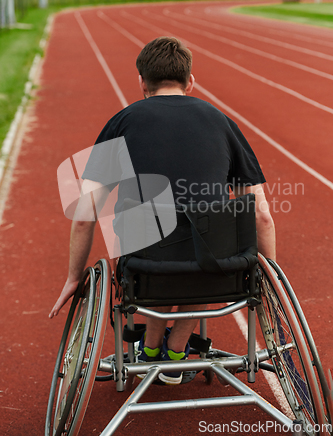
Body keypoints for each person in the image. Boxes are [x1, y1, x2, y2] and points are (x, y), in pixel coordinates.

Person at [50, 37, 275, 385]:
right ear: (190, 82)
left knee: (153, 238)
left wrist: (72, 277)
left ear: (142, 82)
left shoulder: (121, 123)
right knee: (208, 244)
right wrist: (268, 276)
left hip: (145, 270)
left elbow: (84, 215)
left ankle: (152, 350)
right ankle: (176, 353)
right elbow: (261, 214)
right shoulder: (220, 121)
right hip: (217, 271)